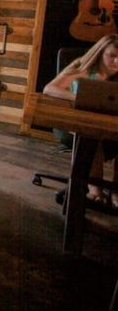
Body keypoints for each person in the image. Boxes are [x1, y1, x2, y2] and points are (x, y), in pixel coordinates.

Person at [44, 34, 118, 210]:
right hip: (76, 125)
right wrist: (77, 97)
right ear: (100, 52)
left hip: (109, 126)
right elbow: (49, 88)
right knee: (92, 136)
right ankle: (95, 189)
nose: (116, 61)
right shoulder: (83, 68)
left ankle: (115, 191)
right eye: (112, 55)